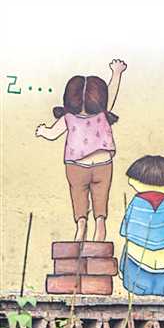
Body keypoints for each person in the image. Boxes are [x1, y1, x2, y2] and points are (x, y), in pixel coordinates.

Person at [35, 59, 127, 241]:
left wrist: (42, 131)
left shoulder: (68, 117)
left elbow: (52, 134)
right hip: (103, 163)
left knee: (78, 195)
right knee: (101, 196)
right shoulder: (102, 113)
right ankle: (100, 225)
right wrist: (116, 73)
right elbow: (112, 92)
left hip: (76, 166)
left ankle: (81, 225)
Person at [120, 155, 164, 296]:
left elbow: (125, 231)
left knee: (129, 241)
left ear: (133, 182)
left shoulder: (135, 204)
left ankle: (122, 272)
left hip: (136, 279)